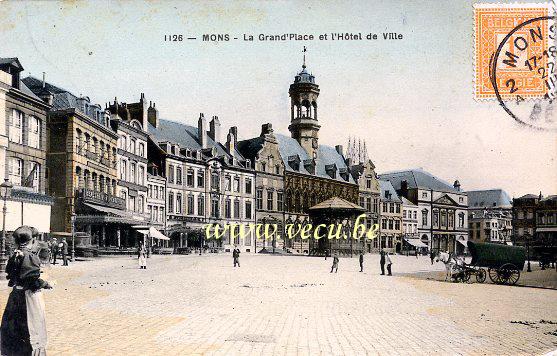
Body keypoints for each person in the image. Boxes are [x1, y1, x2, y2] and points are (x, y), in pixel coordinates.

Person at [1, 226, 52, 355]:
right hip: (28, 298)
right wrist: (46, 283)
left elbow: (12, 278)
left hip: (15, 296)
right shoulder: (30, 256)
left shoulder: (15, 255)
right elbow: (32, 281)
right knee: (31, 327)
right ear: (31, 241)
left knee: (14, 329)